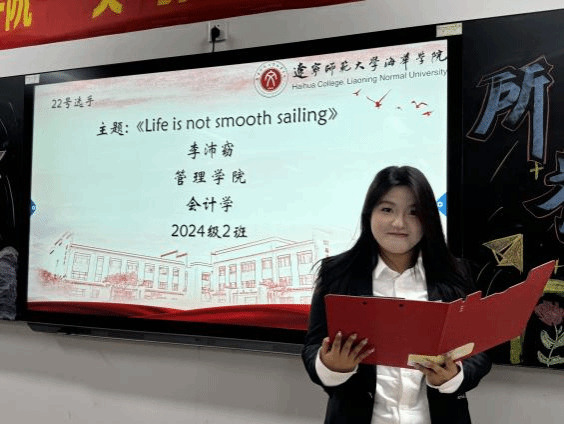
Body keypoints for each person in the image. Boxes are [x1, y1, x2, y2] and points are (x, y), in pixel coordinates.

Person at [302, 165, 491, 424]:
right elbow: (313, 347)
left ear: (429, 219)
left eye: (414, 212)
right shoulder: (336, 274)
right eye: (387, 209)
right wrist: (331, 365)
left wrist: (453, 377)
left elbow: (480, 353)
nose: (399, 223)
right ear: (369, 214)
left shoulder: (456, 273)